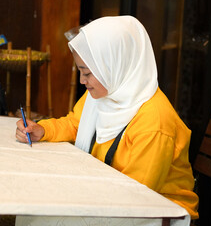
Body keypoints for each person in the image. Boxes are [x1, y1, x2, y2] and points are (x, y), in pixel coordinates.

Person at [16, 15, 199, 219]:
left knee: (43, 212)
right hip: (111, 193)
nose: (82, 80)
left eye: (87, 73)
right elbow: (76, 123)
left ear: (115, 66)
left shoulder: (154, 123)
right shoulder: (106, 92)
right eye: (80, 71)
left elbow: (136, 196)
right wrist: (43, 130)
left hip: (159, 213)